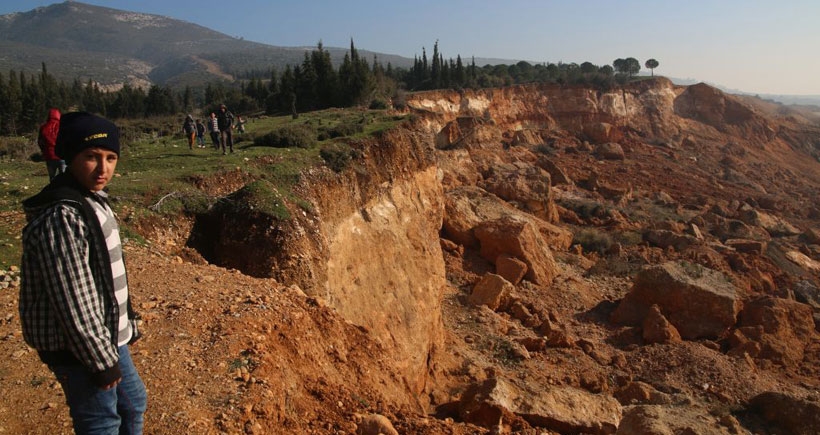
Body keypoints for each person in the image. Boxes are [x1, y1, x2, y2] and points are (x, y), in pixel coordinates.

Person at [20, 112, 147, 435]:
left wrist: (126, 321)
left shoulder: (91, 200)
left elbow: (103, 273)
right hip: (80, 347)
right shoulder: (62, 216)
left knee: (132, 403)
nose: (103, 168)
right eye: (91, 157)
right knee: (101, 421)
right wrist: (100, 361)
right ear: (69, 157)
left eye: (110, 157)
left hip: (107, 336)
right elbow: (73, 298)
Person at [38, 108, 65, 180]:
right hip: (61, 156)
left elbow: (40, 142)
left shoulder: (44, 127)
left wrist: (44, 151)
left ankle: (53, 190)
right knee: (64, 178)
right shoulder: (63, 126)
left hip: (49, 156)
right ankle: (62, 190)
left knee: (52, 178)